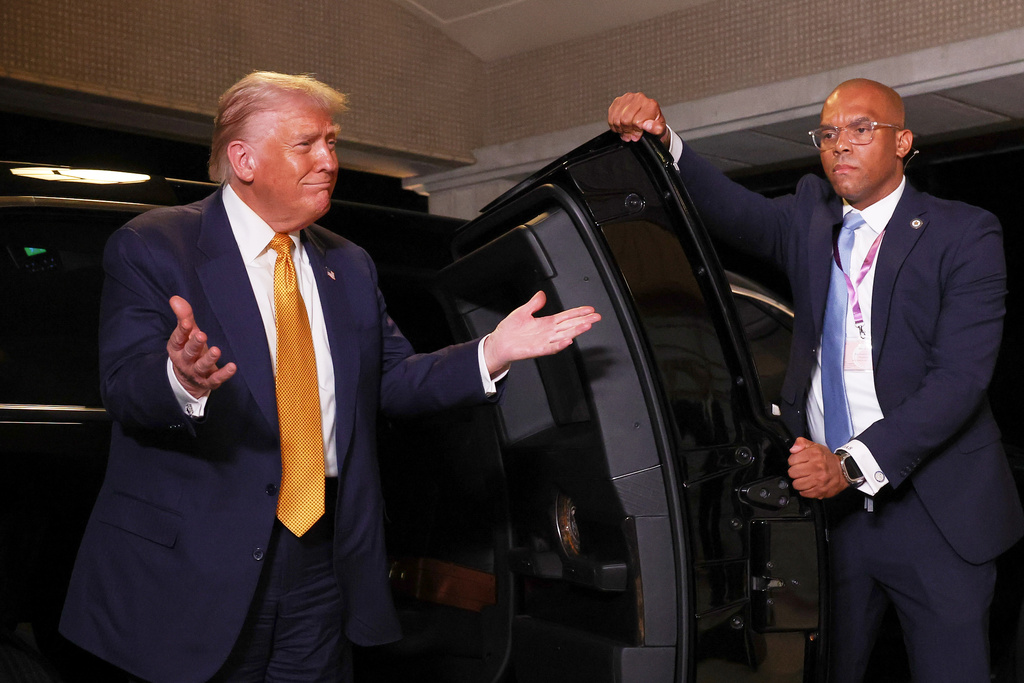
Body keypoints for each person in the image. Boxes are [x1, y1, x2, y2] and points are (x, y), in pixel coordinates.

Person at [59, 71, 600, 683]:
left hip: (321, 559)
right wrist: (181, 379)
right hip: (196, 565)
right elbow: (126, 390)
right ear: (243, 159)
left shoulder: (348, 261)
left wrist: (491, 353)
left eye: (333, 142)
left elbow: (390, 381)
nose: (328, 161)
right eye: (306, 144)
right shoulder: (157, 245)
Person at [609, 80, 1023, 682]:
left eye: (861, 129)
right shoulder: (810, 215)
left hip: (938, 511)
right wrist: (663, 140)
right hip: (834, 517)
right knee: (825, 669)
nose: (841, 145)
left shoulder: (965, 234)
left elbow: (959, 380)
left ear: (903, 141)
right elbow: (728, 208)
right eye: (828, 134)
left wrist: (850, 464)